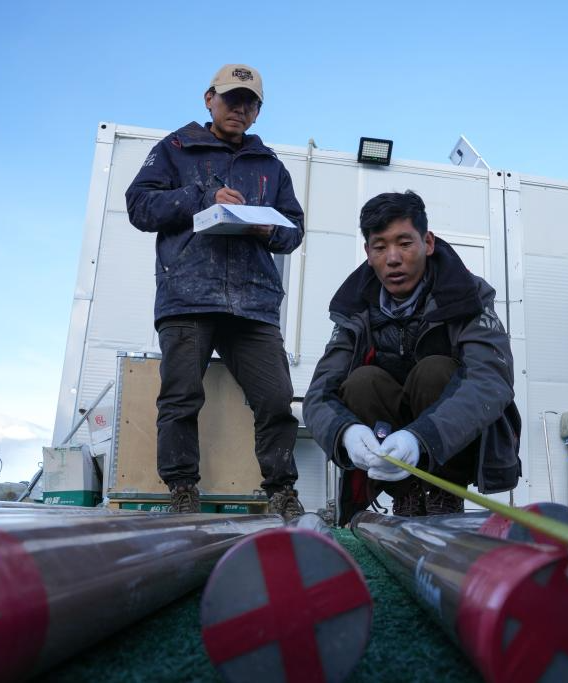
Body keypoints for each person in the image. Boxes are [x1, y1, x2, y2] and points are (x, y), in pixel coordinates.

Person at [125, 64, 305, 519]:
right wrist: (201, 198)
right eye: (231, 98)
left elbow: (294, 229)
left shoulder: (271, 165)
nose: (239, 109)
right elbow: (139, 205)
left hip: (254, 302)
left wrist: (267, 228)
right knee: (181, 398)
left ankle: (282, 492)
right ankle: (182, 489)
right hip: (188, 296)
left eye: (250, 103)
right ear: (209, 99)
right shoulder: (174, 148)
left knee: (276, 400)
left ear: (258, 111)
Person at [304, 191, 521, 524]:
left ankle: (443, 496)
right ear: (368, 253)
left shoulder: (468, 295)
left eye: (404, 243)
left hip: (453, 446)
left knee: (434, 371)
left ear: (428, 242)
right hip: (389, 444)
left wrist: (421, 438)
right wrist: (345, 432)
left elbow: (491, 378)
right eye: (380, 247)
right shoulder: (354, 309)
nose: (393, 258)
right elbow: (318, 394)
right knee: (362, 382)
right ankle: (406, 497)